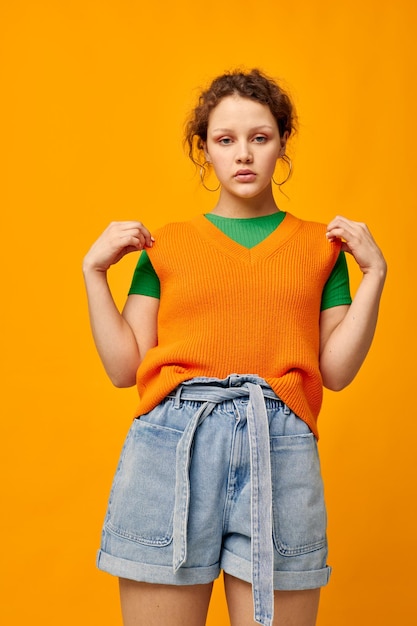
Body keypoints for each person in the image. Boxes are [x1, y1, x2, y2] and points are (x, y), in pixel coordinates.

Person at [83, 69, 387, 626]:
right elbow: (125, 368)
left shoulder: (322, 250)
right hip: (171, 447)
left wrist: (375, 274)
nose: (243, 154)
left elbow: (336, 372)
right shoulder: (164, 246)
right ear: (205, 150)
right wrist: (94, 272)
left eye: (260, 137)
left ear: (281, 144)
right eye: (225, 140)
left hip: (281, 447)